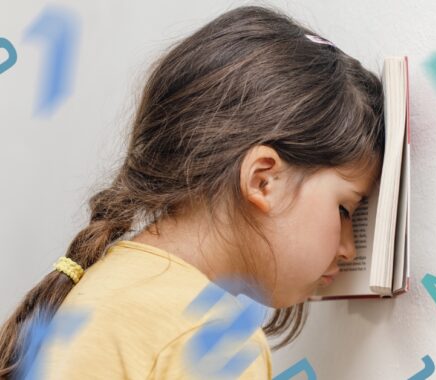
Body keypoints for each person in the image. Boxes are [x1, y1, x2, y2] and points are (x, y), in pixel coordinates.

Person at [0, 4, 384, 379]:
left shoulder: (105, 286)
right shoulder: (212, 337)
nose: (349, 248)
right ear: (263, 180)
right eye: (345, 209)